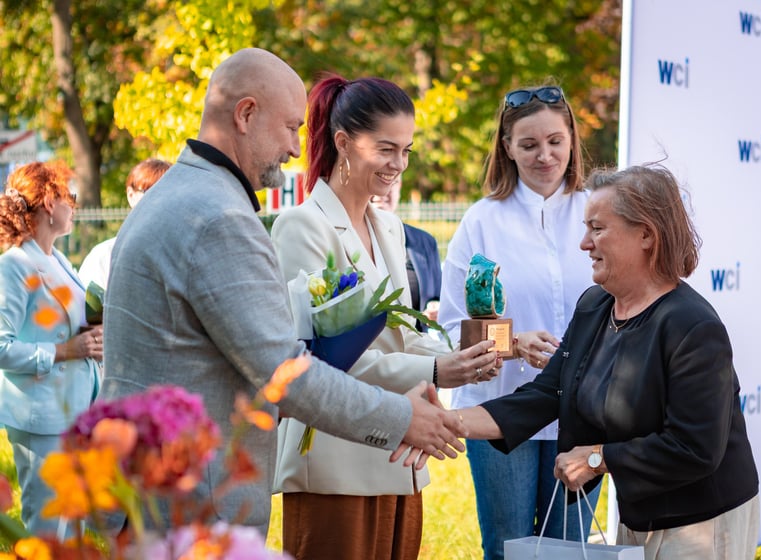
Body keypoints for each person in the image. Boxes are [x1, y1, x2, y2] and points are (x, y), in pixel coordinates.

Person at [101, 48, 467, 538]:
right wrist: (401, 417)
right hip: (190, 506)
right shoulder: (219, 219)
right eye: (291, 127)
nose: (297, 149)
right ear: (246, 114)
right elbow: (285, 373)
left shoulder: (178, 196)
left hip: (152, 494)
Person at [453, 165, 761, 559]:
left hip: (702, 522)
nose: (584, 243)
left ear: (646, 235)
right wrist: (450, 422)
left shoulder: (693, 325)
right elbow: (546, 394)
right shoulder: (595, 305)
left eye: (597, 229)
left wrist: (597, 458)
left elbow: (695, 447)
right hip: (640, 518)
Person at [270, 74, 500, 560]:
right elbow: (323, 362)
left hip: (401, 463)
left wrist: (458, 358)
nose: (398, 165)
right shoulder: (300, 227)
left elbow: (404, 333)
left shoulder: (390, 227)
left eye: (407, 150)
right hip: (334, 467)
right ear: (342, 143)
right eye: (386, 149)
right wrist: (438, 369)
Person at [436, 84, 598, 558]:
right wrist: (511, 342)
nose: (544, 155)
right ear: (506, 147)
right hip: (500, 408)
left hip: (583, 411)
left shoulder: (598, 212)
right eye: (528, 145)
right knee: (507, 547)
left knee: (571, 550)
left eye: (555, 141)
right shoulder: (481, 222)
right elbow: (449, 327)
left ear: (571, 138)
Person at [0, 161, 103, 535]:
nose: (74, 204)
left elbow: (64, 323)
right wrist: (67, 351)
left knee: (71, 534)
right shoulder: (14, 265)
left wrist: (93, 331)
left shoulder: (56, 258)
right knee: (46, 532)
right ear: (48, 202)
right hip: (40, 419)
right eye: (69, 196)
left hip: (73, 411)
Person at [78, 158, 171, 289]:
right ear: (131, 195)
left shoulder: (184, 255)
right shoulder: (104, 256)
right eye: (150, 192)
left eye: (167, 193)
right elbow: (89, 306)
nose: (159, 200)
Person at [371, 174, 442, 331]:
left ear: (399, 186)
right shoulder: (348, 239)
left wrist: (434, 306)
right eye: (376, 178)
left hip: (417, 346)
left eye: (391, 180)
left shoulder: (424, 242)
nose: (381, 192)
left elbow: (438, 294)